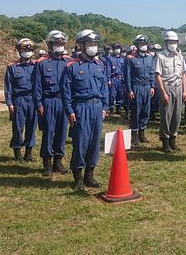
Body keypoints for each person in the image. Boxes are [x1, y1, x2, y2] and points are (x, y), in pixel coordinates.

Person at [61, 30, 108, 190]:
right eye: (90, 44)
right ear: (80, 46)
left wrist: (105, 107)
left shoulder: (100, 65)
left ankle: (90, 174)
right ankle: (78, 176)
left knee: (94, 143)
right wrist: (70, 111)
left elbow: (104, 88)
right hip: (80, 108)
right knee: (80, 142)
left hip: (96, 107)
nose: (93, 48)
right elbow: (66, 92)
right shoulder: (71, 66)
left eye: (95, 44)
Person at [33, 30, 70, 177]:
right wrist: (39, 104)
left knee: (62, 133)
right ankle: (47, 163)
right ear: (50, 45)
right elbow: (37, 86)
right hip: (48, 101)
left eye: (61, 44)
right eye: (56, 44)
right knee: (49, 132)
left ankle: (58, 161)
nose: (59, 46)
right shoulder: (41, 63)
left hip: (64, 101)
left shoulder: (68, 62)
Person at [4, 38, 38, 162]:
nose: (27, 52)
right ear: (19, 51)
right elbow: (8, 87)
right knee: (18, 128)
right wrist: (9, 103)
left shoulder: (37, 65)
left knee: (31, 127)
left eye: (29, 50)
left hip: (33, 100)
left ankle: (28, 153)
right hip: (19, 100)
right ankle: (17, 152)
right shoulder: (12, 67)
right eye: (24, 50)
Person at [155, 31, 186, 153]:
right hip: (167, 87)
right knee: (166, 115)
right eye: (170, 42)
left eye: (174, 42)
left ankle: (173, 139)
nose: (173, 44)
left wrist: (185, 90)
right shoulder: (161, 57)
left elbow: (183, 73)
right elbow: (158, 75)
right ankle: (165, 141)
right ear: (166, 43)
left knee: (177, 115)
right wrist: (163, 92)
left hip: (178, 87)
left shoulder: (179, 56)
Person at [124, 35, 155, 145]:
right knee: (135, 111)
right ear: (137, 45)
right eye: (141, 44)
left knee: (145, 111)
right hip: (136, 87)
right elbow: (127, 76)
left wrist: (152, 86)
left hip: (147, 87)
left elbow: (152, 72)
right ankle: (134, 135)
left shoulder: (149, 57)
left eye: (145, 44)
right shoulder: (130, 58)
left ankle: (142, 133)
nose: (144, 46)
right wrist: (129, 90)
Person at [104, 42, 126, 116]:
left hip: (121, 79)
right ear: (113, 49)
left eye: (118, 48)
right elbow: (108, 70)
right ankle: (110, 109)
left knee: (120, 94)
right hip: (113, 78)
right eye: (116, 48)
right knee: (112, 95)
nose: (117, 50)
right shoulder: (110, 59)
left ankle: (118, 108)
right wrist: (109, 79)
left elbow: (123, 70)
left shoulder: (122, 59)